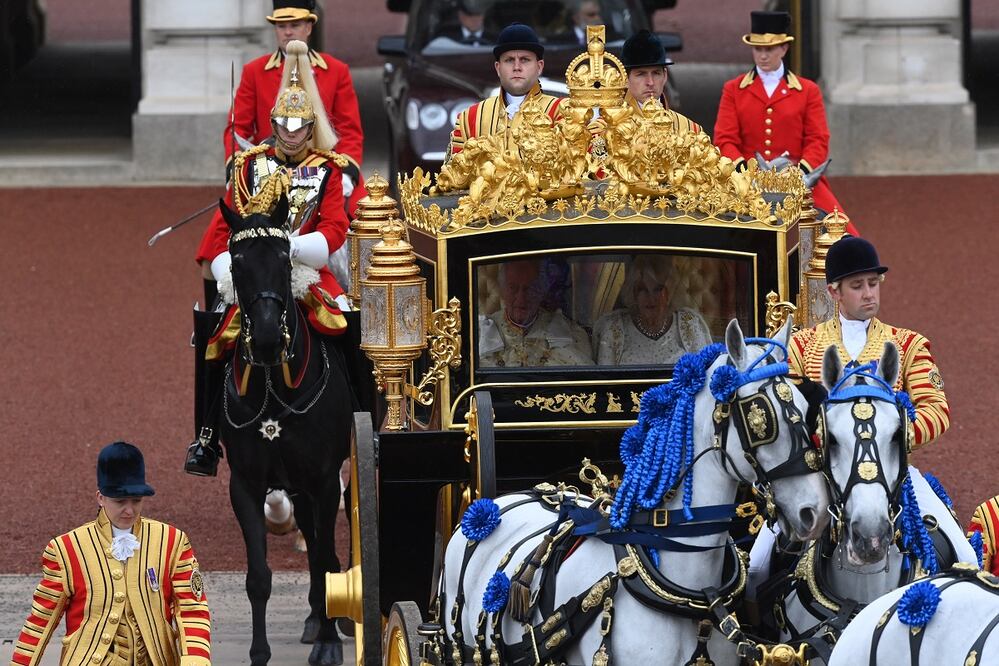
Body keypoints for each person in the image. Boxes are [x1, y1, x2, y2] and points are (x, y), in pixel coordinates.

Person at [185, 40, 351, 477]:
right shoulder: (247, 166)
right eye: (283, 123)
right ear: (274, 122)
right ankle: (205, 436)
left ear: (310, 125)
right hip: (253, 273)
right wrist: (229, 270)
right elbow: (221, 234)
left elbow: (334, 229)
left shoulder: (329, 169)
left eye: (299, 125)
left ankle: (355, 421)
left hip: (306, 271)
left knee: (348, 322)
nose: (291, 132)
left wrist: (290, 247)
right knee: (212, 330)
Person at [10, 441, 211, 666]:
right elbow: (40, 621)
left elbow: (192, 609)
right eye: (120, 501)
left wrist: (195, 661)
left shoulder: (172, 542)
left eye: (136, 501)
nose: (129, 510)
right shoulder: (66, 549)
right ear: (100, 497)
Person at [713, 11, 856, 232]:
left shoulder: (808, 90)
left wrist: (800, 173)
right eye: (758, 49)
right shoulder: (733, 89)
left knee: (843, 234)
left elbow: (818, 139)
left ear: (784, 48)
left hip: (798, 180)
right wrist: (745, 173)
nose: (762, 56)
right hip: (747, 181)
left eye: (769, 49)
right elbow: (725, 140)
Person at [224, 0, 364, 213]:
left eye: (295, 25)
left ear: (308, 27)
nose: (287, 32)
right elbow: (237, 129)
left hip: (325, 165)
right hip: (269, 168)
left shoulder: (336, 71)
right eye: (281, 26)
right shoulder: (254, 71)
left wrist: (346, 174)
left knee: (362, 214)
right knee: (223, 226)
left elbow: (350, 131)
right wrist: (237, 169)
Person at [445, 23, 564, 161]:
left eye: (524, 60)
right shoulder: (470, 118)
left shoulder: (562, 113)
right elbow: (453, 177)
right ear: (498, 68)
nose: (517, 67)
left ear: (539, 67)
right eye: (509, 60)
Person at [592, 254, 711, 365]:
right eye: (642, 289)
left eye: (658, 289)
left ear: (670, 294)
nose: (650, 297)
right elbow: (606, 383)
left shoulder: (689, 324)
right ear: (633, 294)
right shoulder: (613, 329)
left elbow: (704, 375)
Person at [479, 259, 592, 367]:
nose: (521, 299)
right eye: (513, 288)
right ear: (502, 291)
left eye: (529, 288)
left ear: (541, 291)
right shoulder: (480, 333)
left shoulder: (572, 333)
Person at [620, 30, 702, 134]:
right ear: (625, 78)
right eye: (641, 74)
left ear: (665, 76)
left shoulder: (689, 130)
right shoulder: (606, 131)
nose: (650, 82)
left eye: (656, 73)